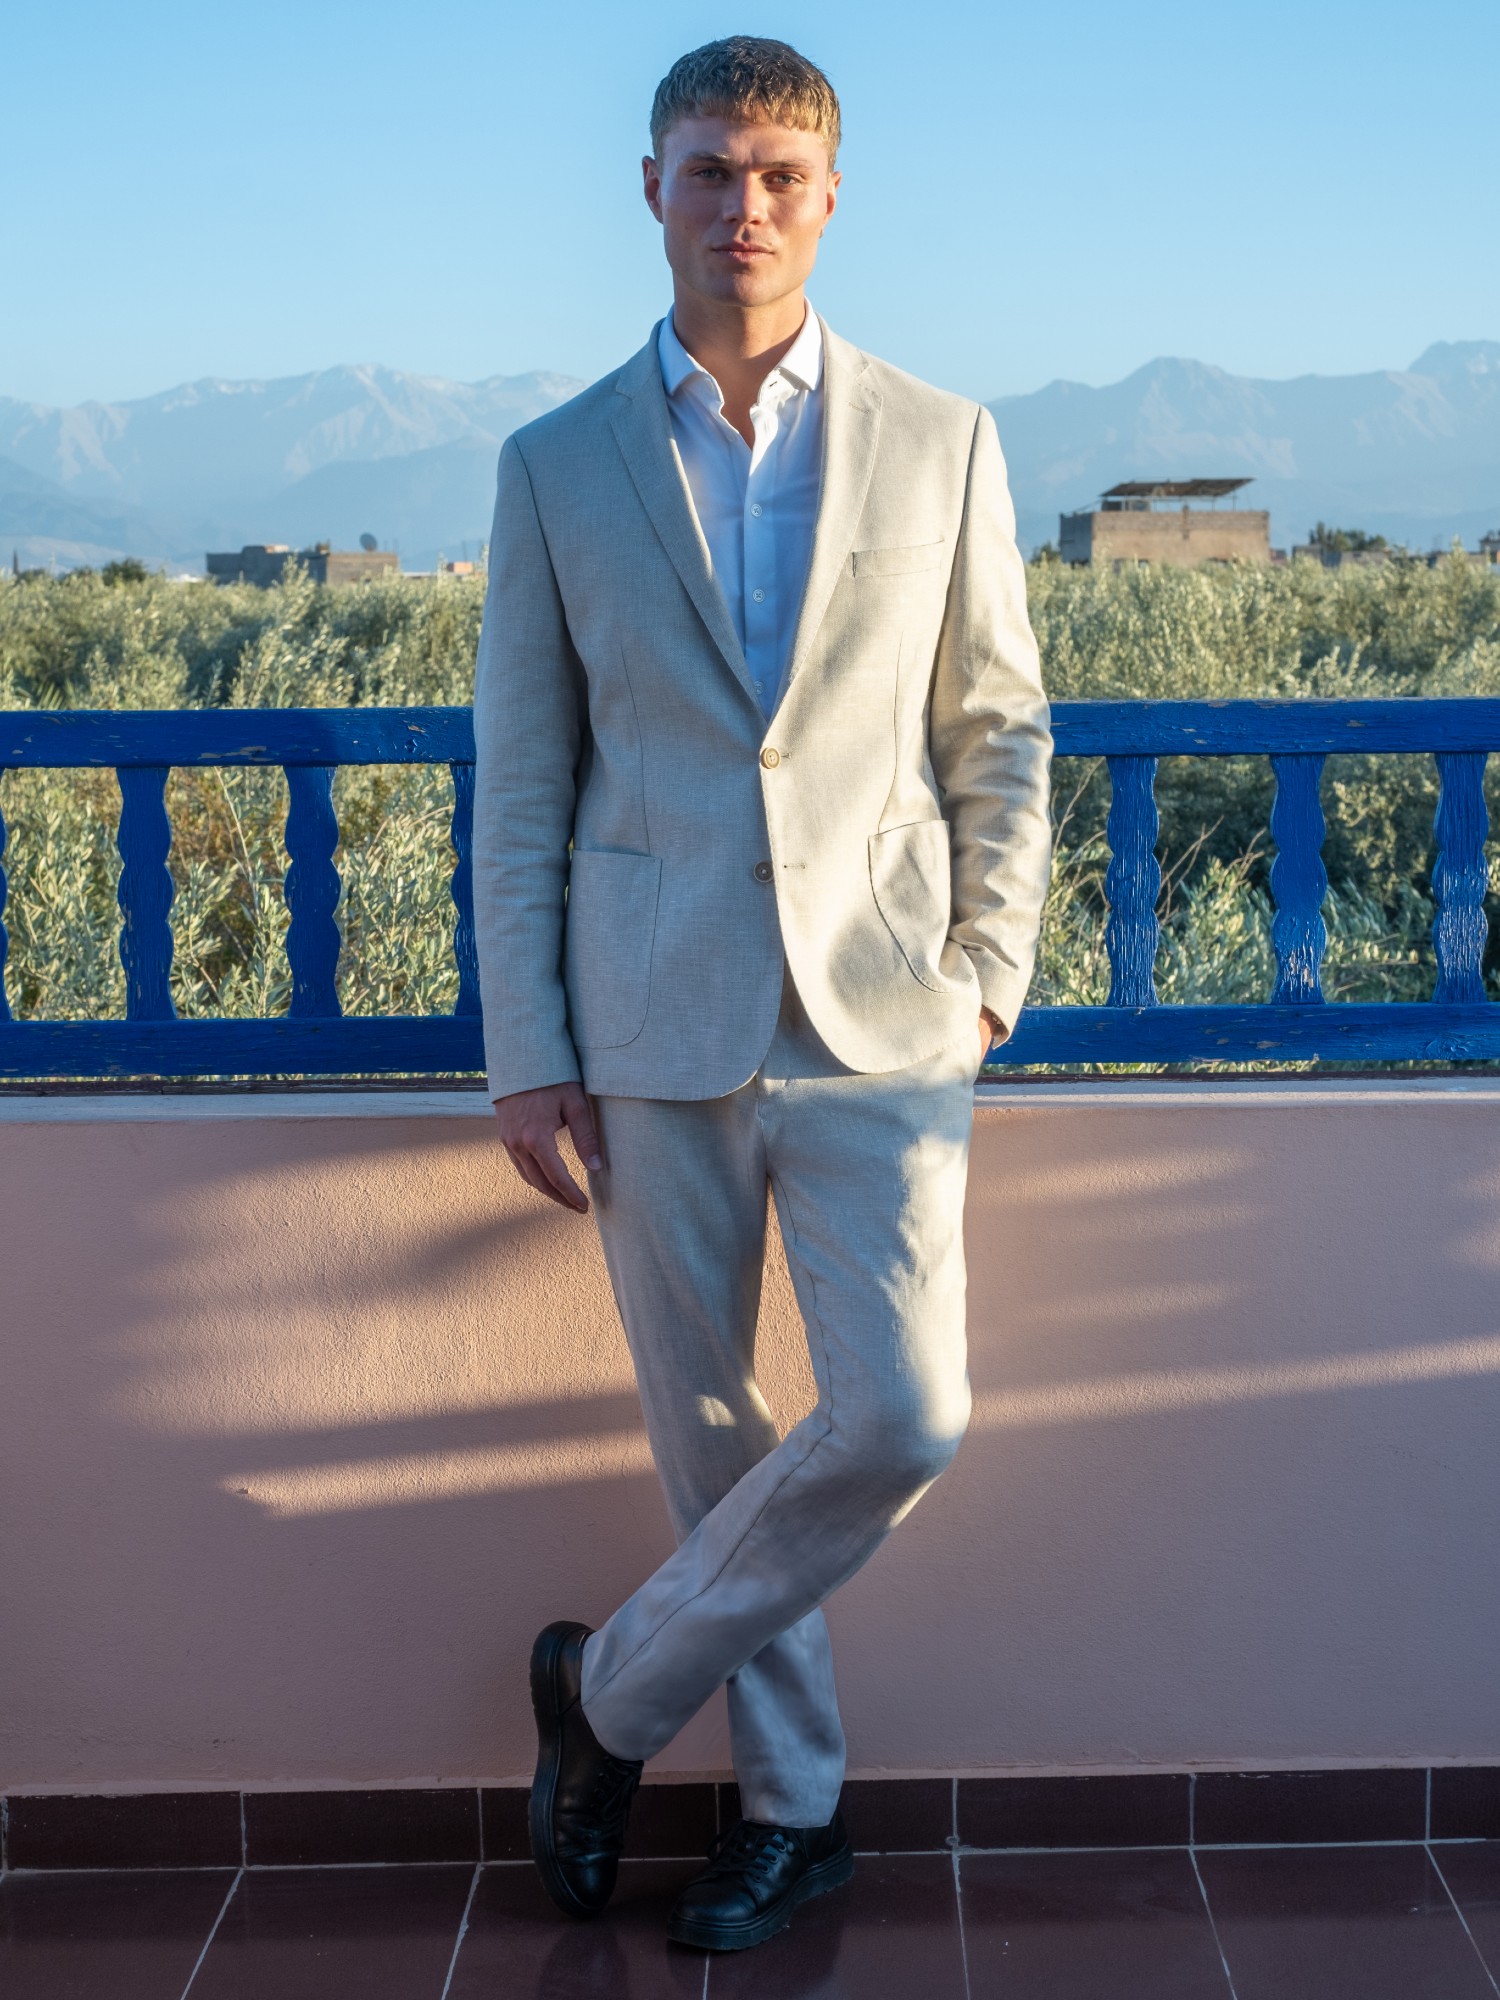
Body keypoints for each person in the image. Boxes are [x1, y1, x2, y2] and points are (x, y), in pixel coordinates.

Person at [472, 34, 1052, 1955]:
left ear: (831, 195)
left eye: (779, 174)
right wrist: (530, 1048)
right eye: (711, 169)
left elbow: (997, 731)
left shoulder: (942, 438)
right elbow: (525, 782)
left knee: (906, 1415)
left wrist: (990, 972)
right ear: (652, 187)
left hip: (889, 1016)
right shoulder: (554, 464)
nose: (745, 205)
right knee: (716, 1438)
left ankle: (609, 1695)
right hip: (651, 1020)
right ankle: (794, 1815)